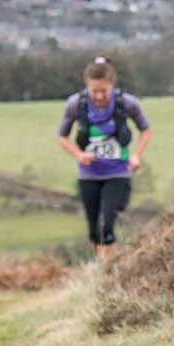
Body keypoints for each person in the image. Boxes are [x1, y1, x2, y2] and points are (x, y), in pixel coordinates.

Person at [55, 57, 151, 255]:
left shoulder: (126, 102)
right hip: (88, 175)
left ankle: (109, 269)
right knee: (93, 230)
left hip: (118, 173)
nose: (99, 96)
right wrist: (79, 154)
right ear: (87, 87)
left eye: (103, 91)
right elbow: (61, 136)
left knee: (105, 225)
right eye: (94, 91)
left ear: (111, 86)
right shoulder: (76, 104)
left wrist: (136, 156)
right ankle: (99, 268)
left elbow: (146, 130)